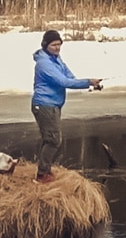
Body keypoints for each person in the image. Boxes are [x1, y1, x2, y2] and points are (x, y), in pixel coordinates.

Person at [31, 30, 101, 182]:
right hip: (44, 105)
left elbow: (70, 78)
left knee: (50, 139)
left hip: (53, 104)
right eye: (53, 45)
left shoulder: (56, 59)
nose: (57, 47)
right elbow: (63, 82)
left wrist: (89, 84)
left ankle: (45, 170)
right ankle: (42, 174)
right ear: (45, 45)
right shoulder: (44, 64)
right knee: (54, 140)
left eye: (59, 44)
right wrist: (88, 81)